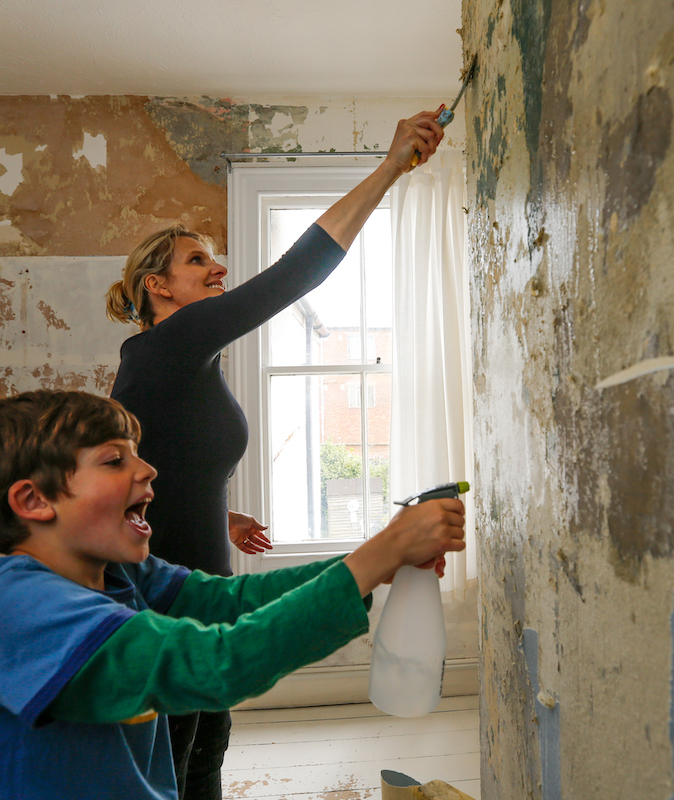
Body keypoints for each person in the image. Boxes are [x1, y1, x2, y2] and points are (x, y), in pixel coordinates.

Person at [103, 110, 445, 797]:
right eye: (197, 259)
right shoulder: (167, 346)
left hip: (199, 585)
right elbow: (294, 275)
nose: (218, 266)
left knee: (203, 756)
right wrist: (389, 167)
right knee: (173, 765)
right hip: (165, 602)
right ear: (158, 287)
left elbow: (156, 462)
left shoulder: (184, 361)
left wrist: (213, 513)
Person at [0, 389, 465, 800]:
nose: (148, 469)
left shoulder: (120, 575)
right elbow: (217, 665)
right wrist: (381, 553)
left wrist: (378, 561)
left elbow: (232, 602)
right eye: (114, 460)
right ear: (34, 500)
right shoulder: (13, 610)